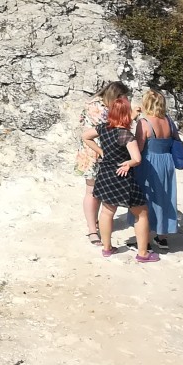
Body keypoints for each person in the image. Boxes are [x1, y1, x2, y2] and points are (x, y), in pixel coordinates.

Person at [91, 95, 156, 260]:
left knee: (106, 212)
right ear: (126, 114)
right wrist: (128, 163)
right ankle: (142, 253)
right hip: (122, 178)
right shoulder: (126, 135)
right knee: (141, 213)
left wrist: (101, 152)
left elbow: (85, 136)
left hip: (105, 175)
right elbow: (138, 159)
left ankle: (107, 248)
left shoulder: (103, 128)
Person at [76, 81, 128, 247]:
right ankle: (92, 229)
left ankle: (97, 223)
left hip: (101, 151)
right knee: (92, 190)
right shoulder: (97, 106)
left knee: (100, 190)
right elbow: (109, 127)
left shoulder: (95, 103)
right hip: (94, 151)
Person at [132, 89, 179, 249]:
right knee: (165, 197)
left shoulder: (144, 122)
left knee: (146, 199)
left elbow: (139, 146)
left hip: (149, 162)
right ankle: (162, 237)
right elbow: (176, 140)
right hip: (167, 162)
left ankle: (145, 240)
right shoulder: (169, 121)